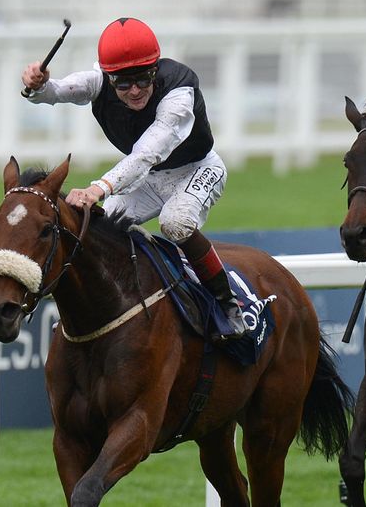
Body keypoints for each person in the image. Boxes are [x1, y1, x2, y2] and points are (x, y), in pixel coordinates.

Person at [20, 17, 246, 339]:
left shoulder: (179, 92)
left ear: (155, 69)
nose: (135, 90)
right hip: (151, 179)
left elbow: (146, 154)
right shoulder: (99, 81)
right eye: (123, 84)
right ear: (109, 78)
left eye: (143, 78)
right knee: (98, 227)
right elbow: (56, 92)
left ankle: (227, 304)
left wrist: (99, 187)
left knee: (176, 222)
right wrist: (38, 85)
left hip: (196, 169)